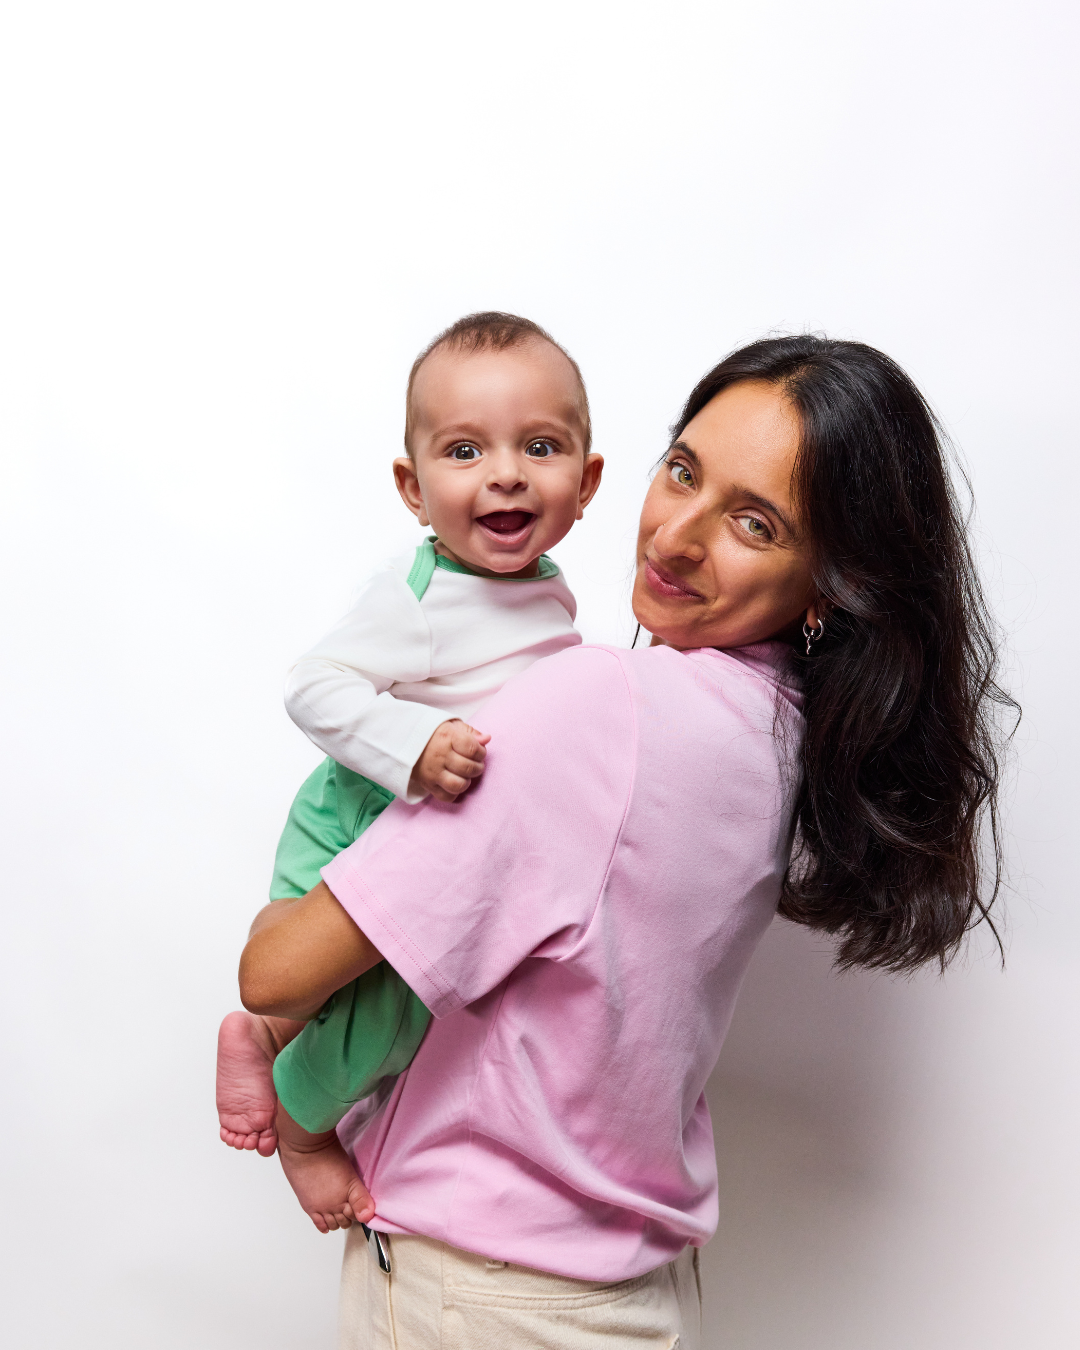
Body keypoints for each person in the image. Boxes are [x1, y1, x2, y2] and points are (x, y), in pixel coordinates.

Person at [238, 336, 1009, 1349]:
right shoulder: (784, 739)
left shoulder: (600, 701)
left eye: (753, 521)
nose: (678, 536)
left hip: (483, 1297)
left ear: (829, 581)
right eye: (683, 469)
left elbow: (279, 975)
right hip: (633, 1292)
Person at [216, 312, 603, 1230]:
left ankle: (260, 1036)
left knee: (341, 987)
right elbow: (313, 685)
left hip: (419, 819)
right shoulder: (420, 595)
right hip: (362, 809)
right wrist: (414, 750)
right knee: (394, 1008)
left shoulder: (542, 583)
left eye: (539, 446)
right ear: (413, 488)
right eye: (464, 450)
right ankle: (306, 1131)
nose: (506, 472)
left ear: (585, 483)